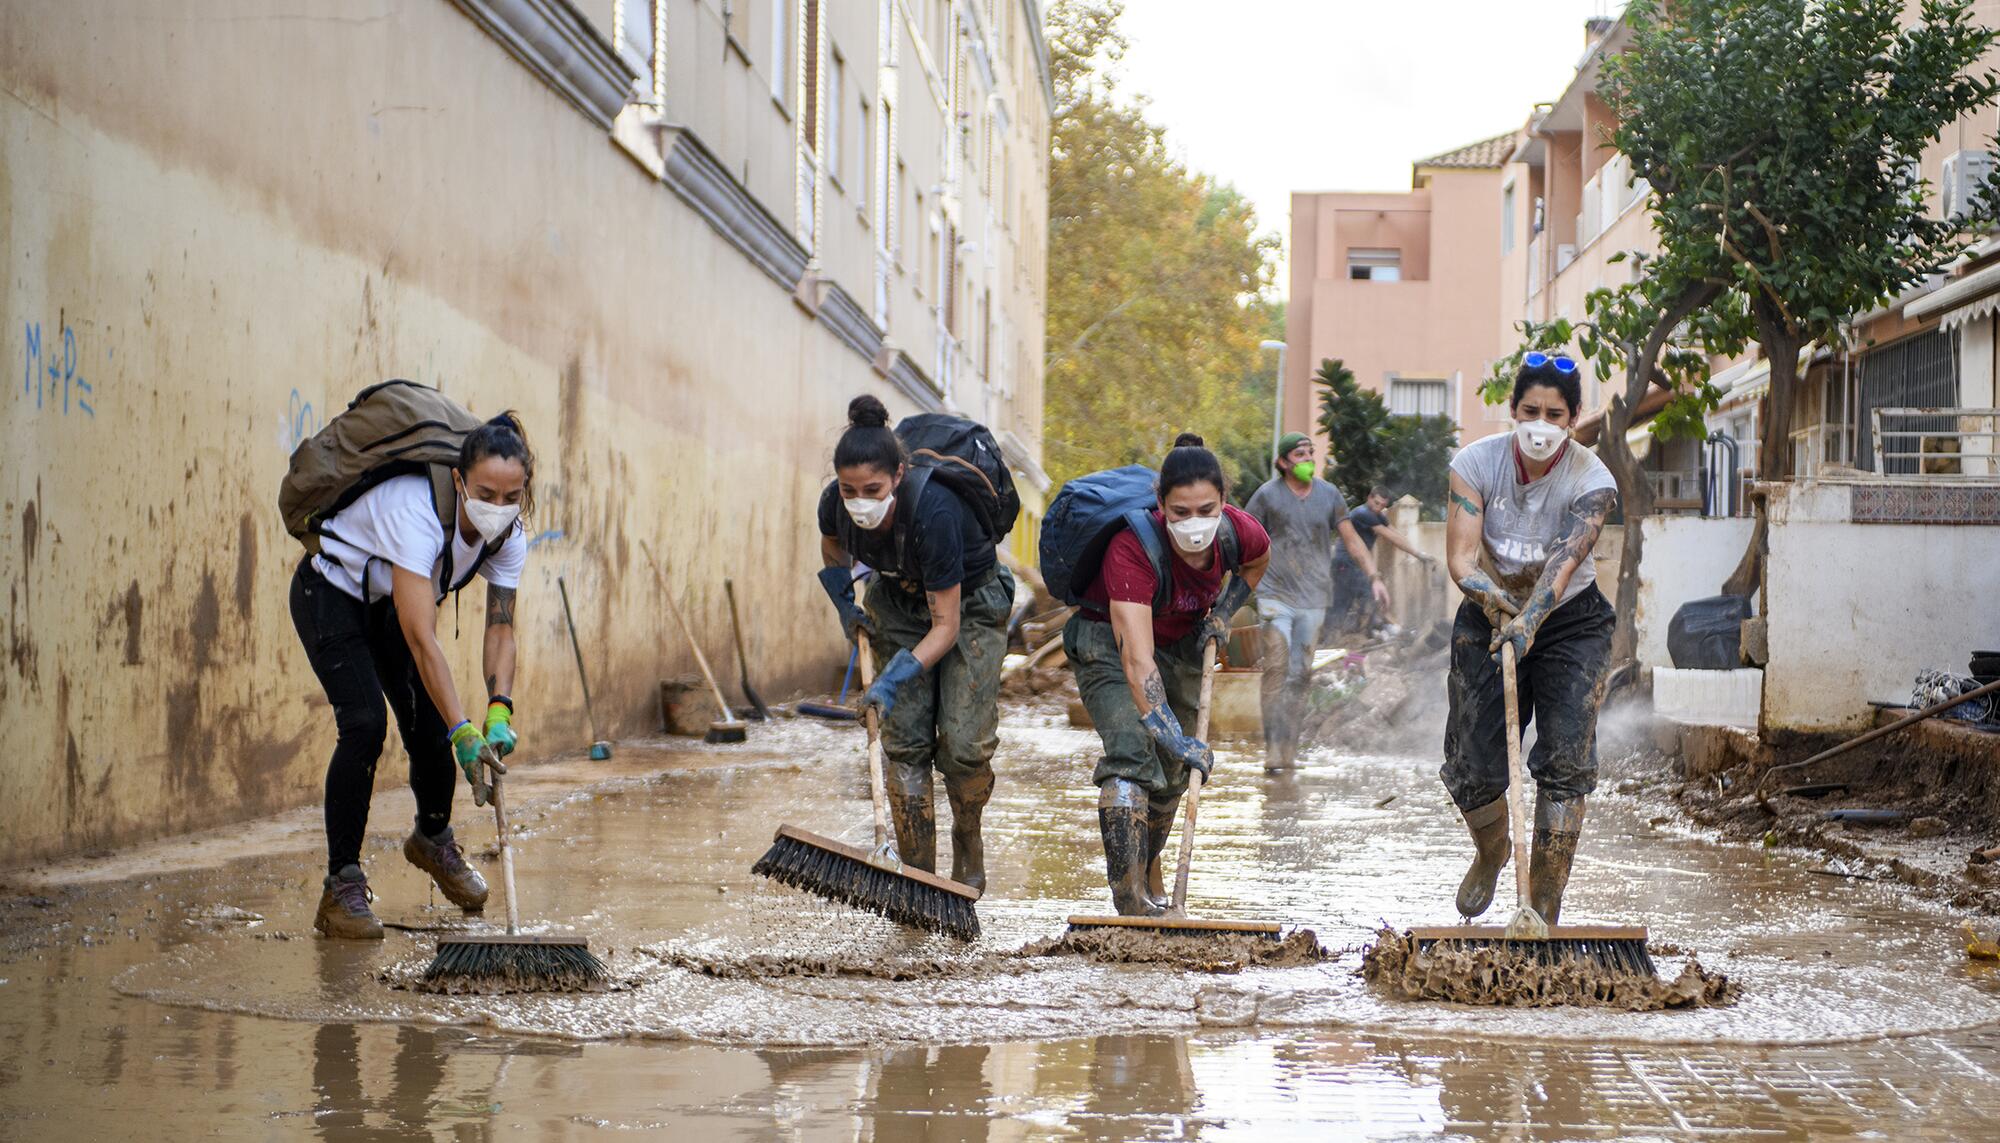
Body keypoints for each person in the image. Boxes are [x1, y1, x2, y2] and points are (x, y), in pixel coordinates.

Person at [289, 412, 533, 939]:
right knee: (365, 724)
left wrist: (498, 710)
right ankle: (341, 886)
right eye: (485, 493)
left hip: (388, 603)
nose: (497, 508)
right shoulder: (415, 511)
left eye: (510, 497)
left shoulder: (510, 535)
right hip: (331, 593)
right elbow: (422, 639)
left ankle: (431, 839)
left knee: (427, 724)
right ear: (458, 481)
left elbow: (501, 626)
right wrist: (463, 729)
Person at [1442, 353, 1618, 925]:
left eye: (1554, 414)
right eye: (1529, 410)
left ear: (1572, 420)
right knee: (1472, 761)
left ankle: (1544, 901)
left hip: (1570, 619)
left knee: (1566, 759)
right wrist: (1496, 605)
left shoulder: (1593, 480)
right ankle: (1493, 851)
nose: (1539, 424)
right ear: (1512, 411)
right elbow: (1461, 560)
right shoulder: (1475, 463)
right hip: (1486, 611)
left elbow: (1562, 568)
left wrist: (1529, 620)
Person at [1065, 434, 1270, 915]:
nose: (1194, 523)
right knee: (1135, 756)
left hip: (1180, 640)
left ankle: (1150, 873)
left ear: (1224, 501)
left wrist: (1223, 611)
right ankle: (1130, 900)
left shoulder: (1240, 533)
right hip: (1108, 644)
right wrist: (1173, 735)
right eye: (1180, 512)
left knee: (1175, 774)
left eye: (1206, 508)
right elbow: (1138, 663)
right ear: (1160, 505)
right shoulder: (1131, 548)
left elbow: (1257, 563)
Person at [816, 395, 1014, 892]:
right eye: (849, 489)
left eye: (873, 489)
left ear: (898, 477)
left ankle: (967, 835)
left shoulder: (935, 513)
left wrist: (891, 681)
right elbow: (833, 545)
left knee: (966, 744)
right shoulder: (835, 505)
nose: (859, 501)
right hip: (898, 600)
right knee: (904, 746)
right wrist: (845, 601)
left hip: (967, 605)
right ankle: (920, 882)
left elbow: (945, 628)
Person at [1243, 432, 1391, 771]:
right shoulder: (1267, 496)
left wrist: (1374, 577)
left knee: (1300, 674)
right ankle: (1271, 747)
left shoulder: (1329, 495)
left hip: (1313, 597)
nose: (1309, 459)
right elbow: (1245, 535)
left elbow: (1352, 540)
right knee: (1277, 667)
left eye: (1311, 453)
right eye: (1300, 454)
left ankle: (1289, 750)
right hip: (1274, 594)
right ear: (1283, 462)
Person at [1329, 486, 1439, 637]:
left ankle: (1355, 633)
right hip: (1345, 561)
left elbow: (1396, 533)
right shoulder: (1362, 513)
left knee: (1348, 599)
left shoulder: (1378, 515)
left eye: (1382, 505)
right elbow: (1389, 536)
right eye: (1376, 503)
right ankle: (1343, 635)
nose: (1378, 507)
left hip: (1358, 563)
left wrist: (1419, 553)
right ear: (1369, 498)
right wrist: (1418, 554)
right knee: (1358, 596)